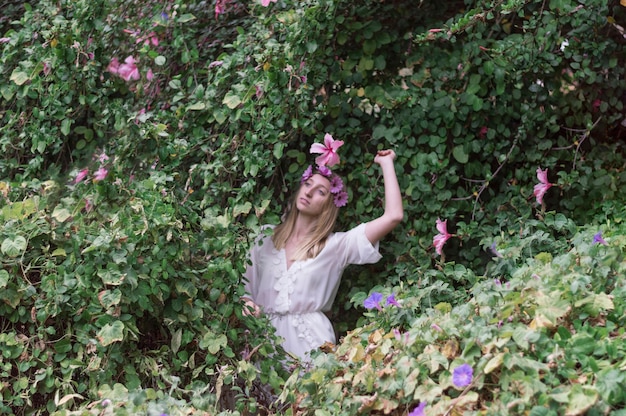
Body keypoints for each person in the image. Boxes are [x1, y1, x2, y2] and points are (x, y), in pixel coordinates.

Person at [242, 147, 403, 361]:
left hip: (310, 343)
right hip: (263, 343)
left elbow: (393, 216)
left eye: (320, 191)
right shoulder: (265, 237)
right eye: (308, 184)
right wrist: (247, 304)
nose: (308, 192)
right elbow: (245, 290)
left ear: (329, 205)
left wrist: (386, 163)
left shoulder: (336, 246)